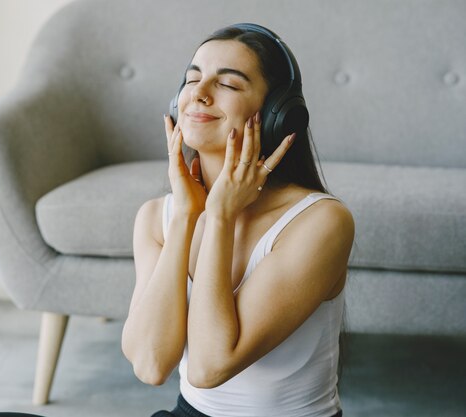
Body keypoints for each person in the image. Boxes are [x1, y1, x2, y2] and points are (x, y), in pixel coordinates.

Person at [121, 23, 354, 417]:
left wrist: (222, 216)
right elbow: (150, 365)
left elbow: (210, 367)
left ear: (279, 115)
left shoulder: (321, 222)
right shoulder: (155, 217)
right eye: (192, 79)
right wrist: (185, 218)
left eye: (227, 84)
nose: (199, 92)